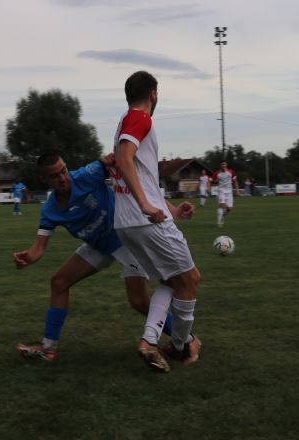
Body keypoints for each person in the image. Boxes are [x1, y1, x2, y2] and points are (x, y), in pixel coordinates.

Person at [13, 153, 176, 362]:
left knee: (139, 302)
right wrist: (28, 257)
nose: (62, 178)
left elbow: (123, 163)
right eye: (54, 176)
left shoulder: (86, 175)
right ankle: (48, 348)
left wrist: (118, 156)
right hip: (98, 245)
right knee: (59, 282)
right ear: (44, 179)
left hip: (125, 238)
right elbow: (39, 246)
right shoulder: (50, 210)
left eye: (63, 171)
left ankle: (184, 339)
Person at [111, 71, 201, 373]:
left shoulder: (125, 122)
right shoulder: (140, 118)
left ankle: (150, 341)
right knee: (190, 280)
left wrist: (171, 209)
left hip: (128, 223)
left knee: (172, 281)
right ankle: (180, 347)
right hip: (143, 219)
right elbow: (124, 159)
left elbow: (138, 173)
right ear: (153, 94)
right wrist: (145, 205)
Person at [211, 161, 240, 227]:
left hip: (229, 192)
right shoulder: (216, 173)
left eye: (224, 164)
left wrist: (237, 191)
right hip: (221, 191)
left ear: (226, 165)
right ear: (220, 166)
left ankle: (221, 216)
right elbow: (212, 181)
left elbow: (235, 181)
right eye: (222, 164)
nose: (223, 165)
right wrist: (212, 184)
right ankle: (219, 223)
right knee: (222, 205)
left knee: (229, 209)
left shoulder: (231, 172)